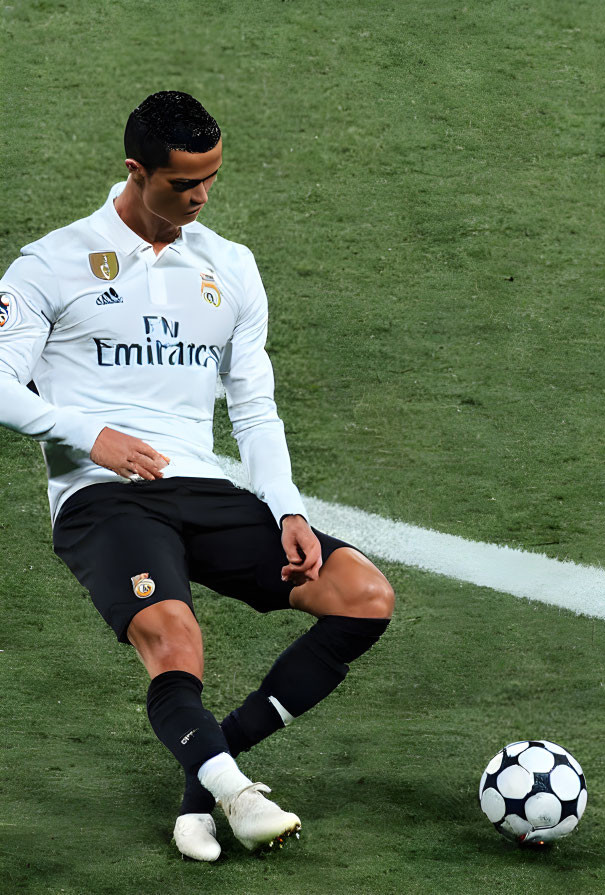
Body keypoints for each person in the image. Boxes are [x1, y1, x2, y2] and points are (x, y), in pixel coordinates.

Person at [0, 91, 394, 861]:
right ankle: (238, 795)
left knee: (363, 597)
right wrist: (90, 435)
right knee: (176, 638)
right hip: (102, 496)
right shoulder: (50, 264)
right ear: (135, 171)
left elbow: (255, 407)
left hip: (204, 488)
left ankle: (204, 782)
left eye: (212, 179)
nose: (202, 196)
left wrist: (286, 508)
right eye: (184, 183)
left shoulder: (231, 267)